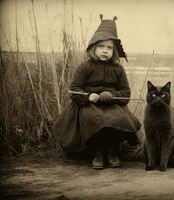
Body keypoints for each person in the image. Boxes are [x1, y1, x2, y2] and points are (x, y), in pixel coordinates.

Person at [53, 14, 142, 170]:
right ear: (93, 47)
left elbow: (125, 92)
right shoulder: (85, 67)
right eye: (101, 46)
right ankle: (98, 153)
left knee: (119, 119)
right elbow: (74, 89)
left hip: (112, 104)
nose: (105, 51)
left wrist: (112, 95)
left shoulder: (118, 69)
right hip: (89, 104)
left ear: (114, 51)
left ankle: (112, 152)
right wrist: (88, 96)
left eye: (109, 48)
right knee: (93, 118)